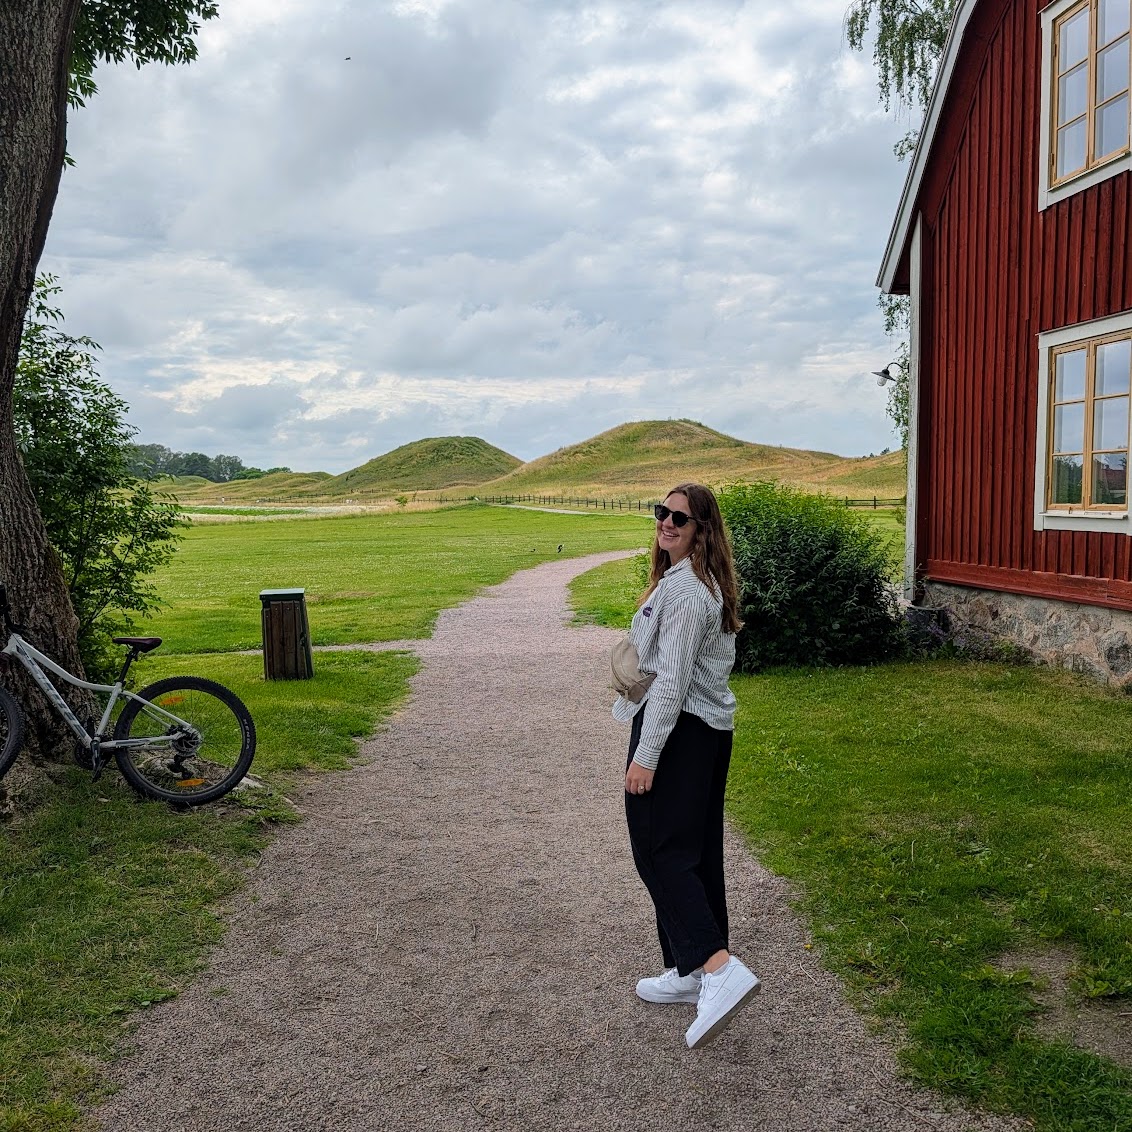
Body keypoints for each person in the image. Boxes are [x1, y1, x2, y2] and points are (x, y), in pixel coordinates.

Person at [614, 482, 759, 1049]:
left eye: (681, 517)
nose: (667, 523)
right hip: (704, 734)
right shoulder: (692, 584)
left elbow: (670, 683)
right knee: (695, 853)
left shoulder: (686, 595)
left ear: (702, 530)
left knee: (658, 851)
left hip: (677, 734)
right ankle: (686, 970)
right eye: (662, 512)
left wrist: (646, 756)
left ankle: (719, 968)